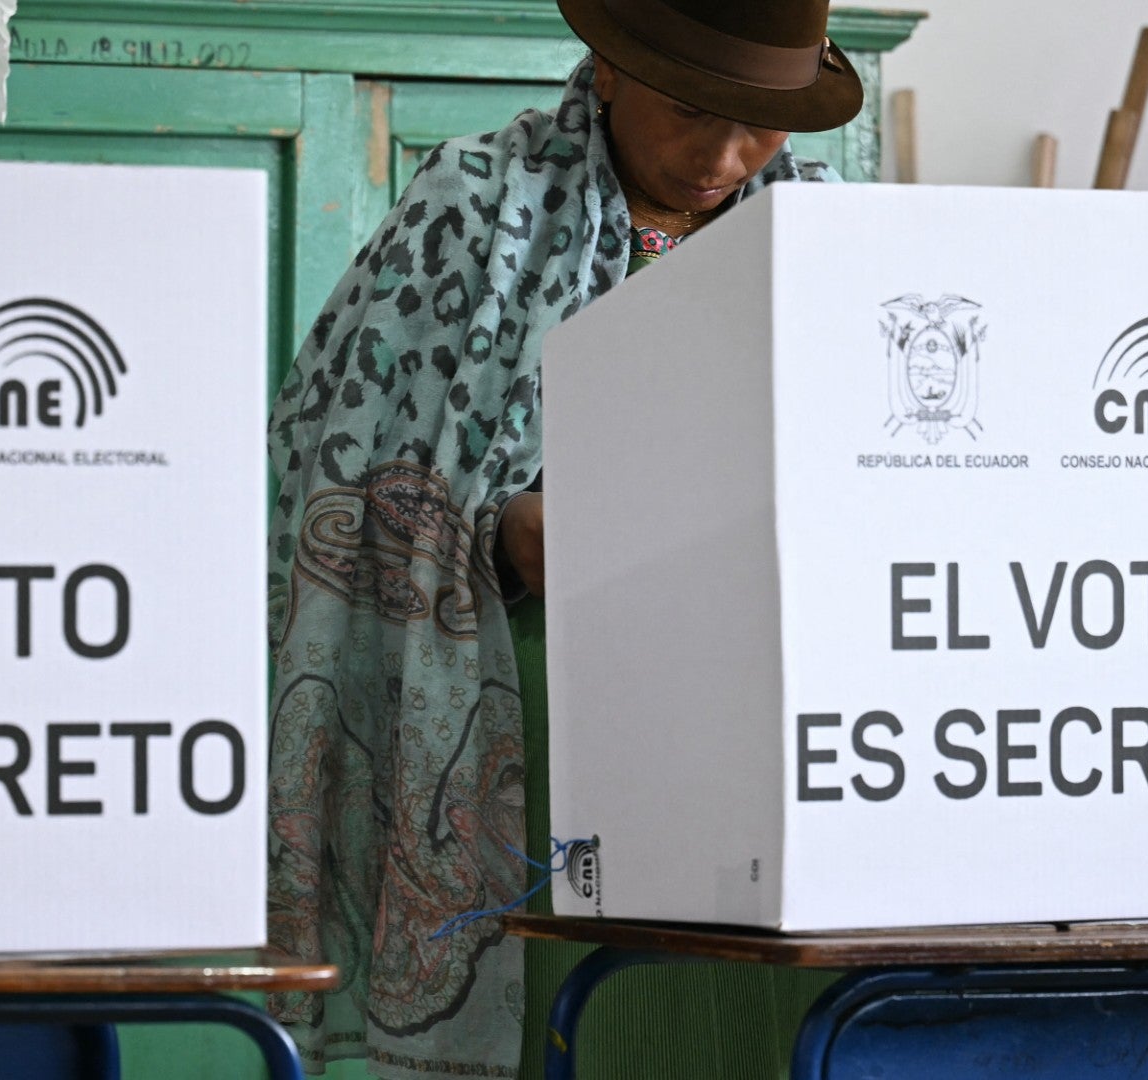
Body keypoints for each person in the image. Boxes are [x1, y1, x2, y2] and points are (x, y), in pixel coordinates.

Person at [265, 1, 861, 1075]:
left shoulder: (821, 234)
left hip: (763, 718)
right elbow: (340, 476)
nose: (722, 157)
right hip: (533, 706)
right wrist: (494, 535)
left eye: (759, 123)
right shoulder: (475, 205)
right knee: (572, 1014)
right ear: (611, 67)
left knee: (755, 1021)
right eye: (692, 110)